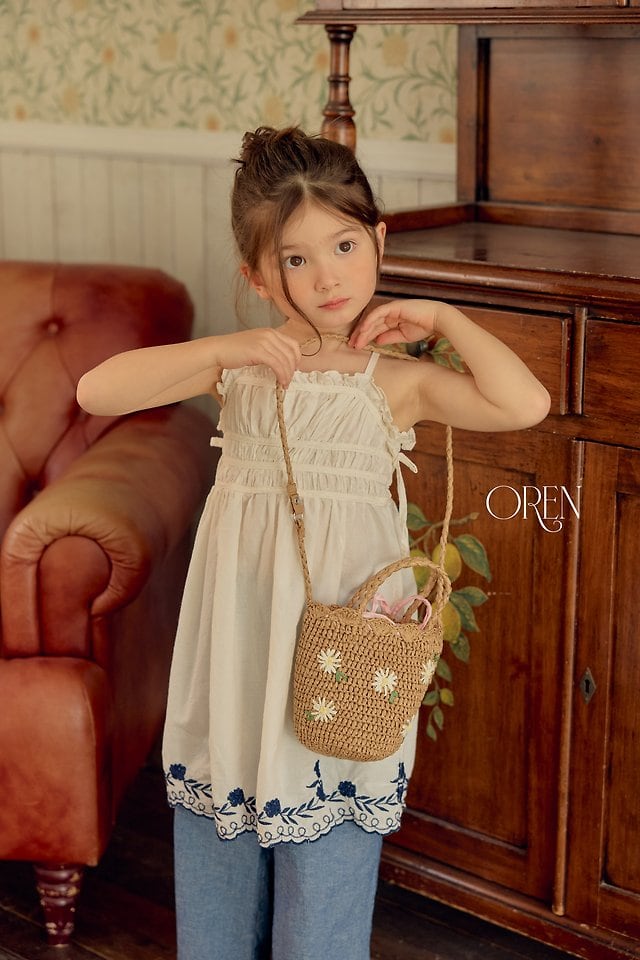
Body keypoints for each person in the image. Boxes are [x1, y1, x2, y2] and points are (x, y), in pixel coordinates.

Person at [77, 126, 550, 960]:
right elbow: (96, 389)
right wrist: (226, 347)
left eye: (344, 245)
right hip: (242, 643)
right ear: (259, 278)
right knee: (221, 849)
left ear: (378, 242)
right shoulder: (242, 371)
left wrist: (444, 316)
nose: (328, 276)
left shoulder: (393, 382)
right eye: (296, 259)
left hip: (343, 661)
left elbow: (525, 405)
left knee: (324, 871)